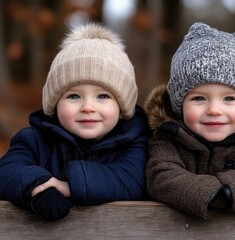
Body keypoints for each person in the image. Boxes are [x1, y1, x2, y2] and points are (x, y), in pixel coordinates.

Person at [0, 23, 150, 221]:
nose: (88, 107)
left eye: (103, 96)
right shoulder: (35, 140)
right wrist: (40, 187)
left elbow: (131, 179)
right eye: (74, 96)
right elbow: (7, 171)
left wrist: (68, 184)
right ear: (54, 104)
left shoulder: (134, 141)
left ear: (122, 107)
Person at [144, 22, 235, 219]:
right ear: (179, 105)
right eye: (199, 98)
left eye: (229, 99)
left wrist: (228, 191)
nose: (214, 110)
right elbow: (160, 177)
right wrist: (210, 192)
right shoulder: (169, 137)